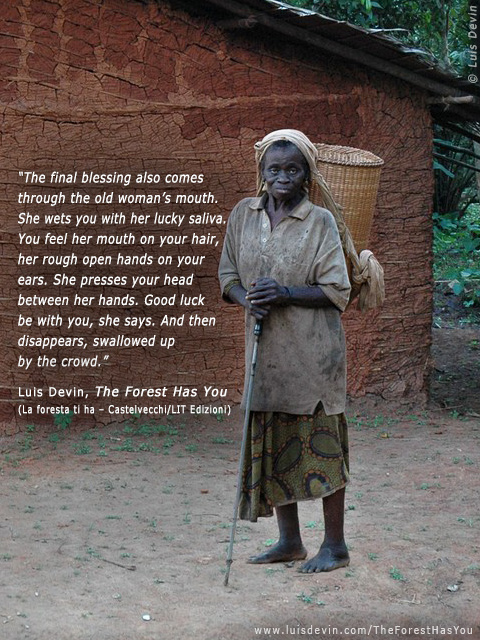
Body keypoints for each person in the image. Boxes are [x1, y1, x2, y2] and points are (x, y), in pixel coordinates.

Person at [218, 129, 351, 573]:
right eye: (274, 169)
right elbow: (228, 278)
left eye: (292, 169)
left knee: (323, 449)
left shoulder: (320, 223)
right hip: (266, 357)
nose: (282, 177)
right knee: (275, 446)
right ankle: (289, 542)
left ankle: (335, 546)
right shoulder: (243, 214)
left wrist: (285, 292)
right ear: (262, 173)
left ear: (306, 175)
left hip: (314, 358)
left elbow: (337, 290)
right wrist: (247, 299)